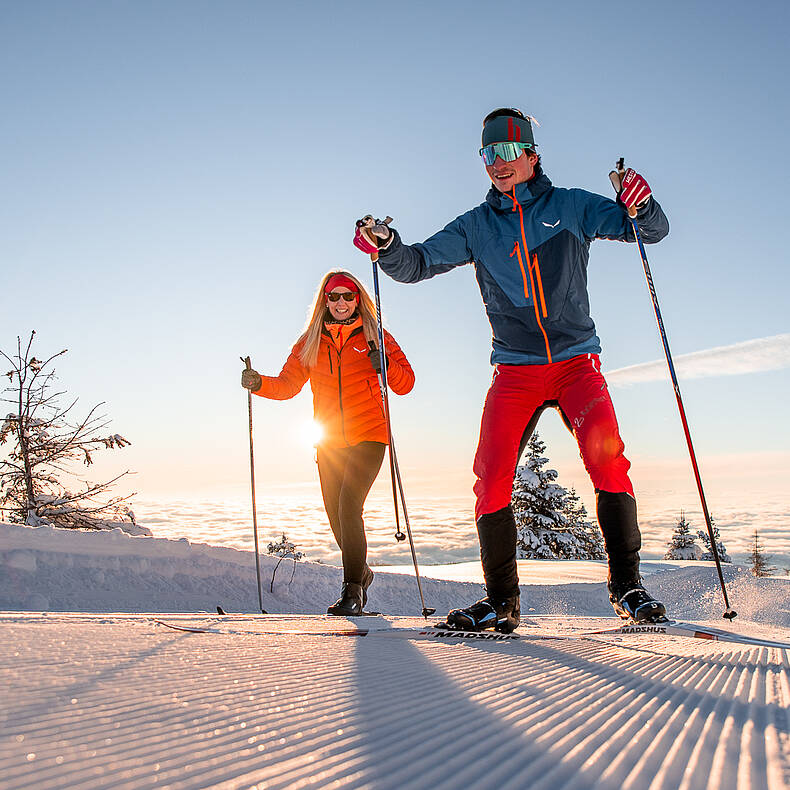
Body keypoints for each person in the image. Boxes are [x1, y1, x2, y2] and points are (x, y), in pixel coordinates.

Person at [353, 107, 669, 631]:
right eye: (487, 154)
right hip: (516, 371)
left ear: (530, 153)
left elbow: (648, 231)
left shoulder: (570, 207)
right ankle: (501, 600)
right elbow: (416, 263)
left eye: (505, 151)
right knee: (491, 476)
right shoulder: (476, 227)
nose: (497, 163)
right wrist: (387, 247)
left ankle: (628, 588)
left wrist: (643, 203)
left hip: (576, 365)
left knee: (609, 464)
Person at [241, 270, 415, 616]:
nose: (340, 302)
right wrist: (258, 383)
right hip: (329, 439)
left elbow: (405, 382)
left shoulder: (375, 336)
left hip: (369, 435)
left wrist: (385, 364)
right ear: (324, 300)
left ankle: (353, 592)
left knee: (349, 506)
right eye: (333, 296)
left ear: (358, 299)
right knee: (337, 514)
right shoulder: (310, 342)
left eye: (347, 295)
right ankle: (361, 574)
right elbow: (288, 385)